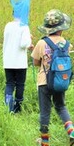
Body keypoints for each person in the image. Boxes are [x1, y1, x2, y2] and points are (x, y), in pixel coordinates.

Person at [31, 9, 73, 146]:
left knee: (45, 112)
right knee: (61, 106)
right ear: (61, 29)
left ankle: (44, 142)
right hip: (61, 81)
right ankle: (72, 133)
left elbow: (36, 62)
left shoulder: (42, 43)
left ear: (47, 29)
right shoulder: (67, 44)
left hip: (44, 82)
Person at [3, 10, 33, 113]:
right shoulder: (24, 26)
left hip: (8, 60)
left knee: (9, 83)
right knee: (20, 84)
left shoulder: (8, 25)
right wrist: (29, 40)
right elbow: (24, 43)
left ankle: (8, 107)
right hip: (20, 61)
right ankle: (17, 108)